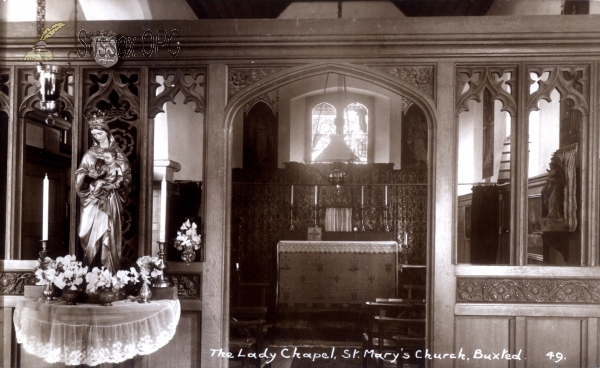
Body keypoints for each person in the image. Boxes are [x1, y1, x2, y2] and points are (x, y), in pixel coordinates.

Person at [76, 112, 132, 274]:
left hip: (110, 199)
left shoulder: (118, 155)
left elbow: (126, 177)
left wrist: (117, 184)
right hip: (91, 199)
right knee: (83, 232)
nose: (98, 137)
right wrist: (88, 177)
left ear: (107, 132)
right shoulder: (90, 154)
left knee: (107, 232)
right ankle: (89, 271)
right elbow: (80, 174)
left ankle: (108, 272)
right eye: (94, 134)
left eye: (100, 133)